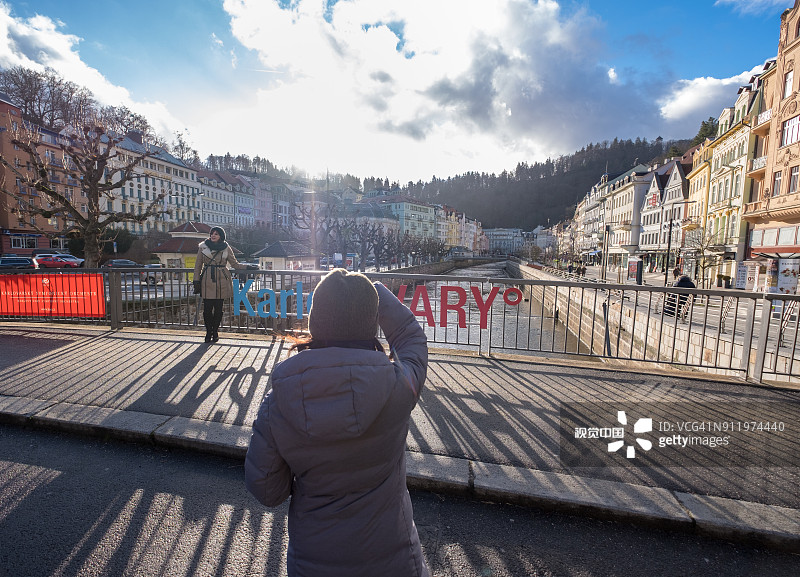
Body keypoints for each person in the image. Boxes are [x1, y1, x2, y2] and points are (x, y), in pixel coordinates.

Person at [245, 268, 430, 577]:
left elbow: (267, 490)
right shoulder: (399, 386)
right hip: (394, 559)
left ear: (314, 322)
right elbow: (411, 337)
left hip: (314, 562)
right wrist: (376, 289)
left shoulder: (279, 401)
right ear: (372, 323)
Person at [193, 226, 256, 343]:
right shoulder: (203, 247)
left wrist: (248, 267)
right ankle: (208, 332)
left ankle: (215, 331)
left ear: (221, 236)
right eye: (212, 233)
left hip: (222, 280)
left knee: (218, 309)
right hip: (207, 280)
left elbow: (235, 264)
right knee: (207, 309)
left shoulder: (226, 248)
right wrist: (196, 281)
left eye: (216, 234)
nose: (213, 235)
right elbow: (198, 266)